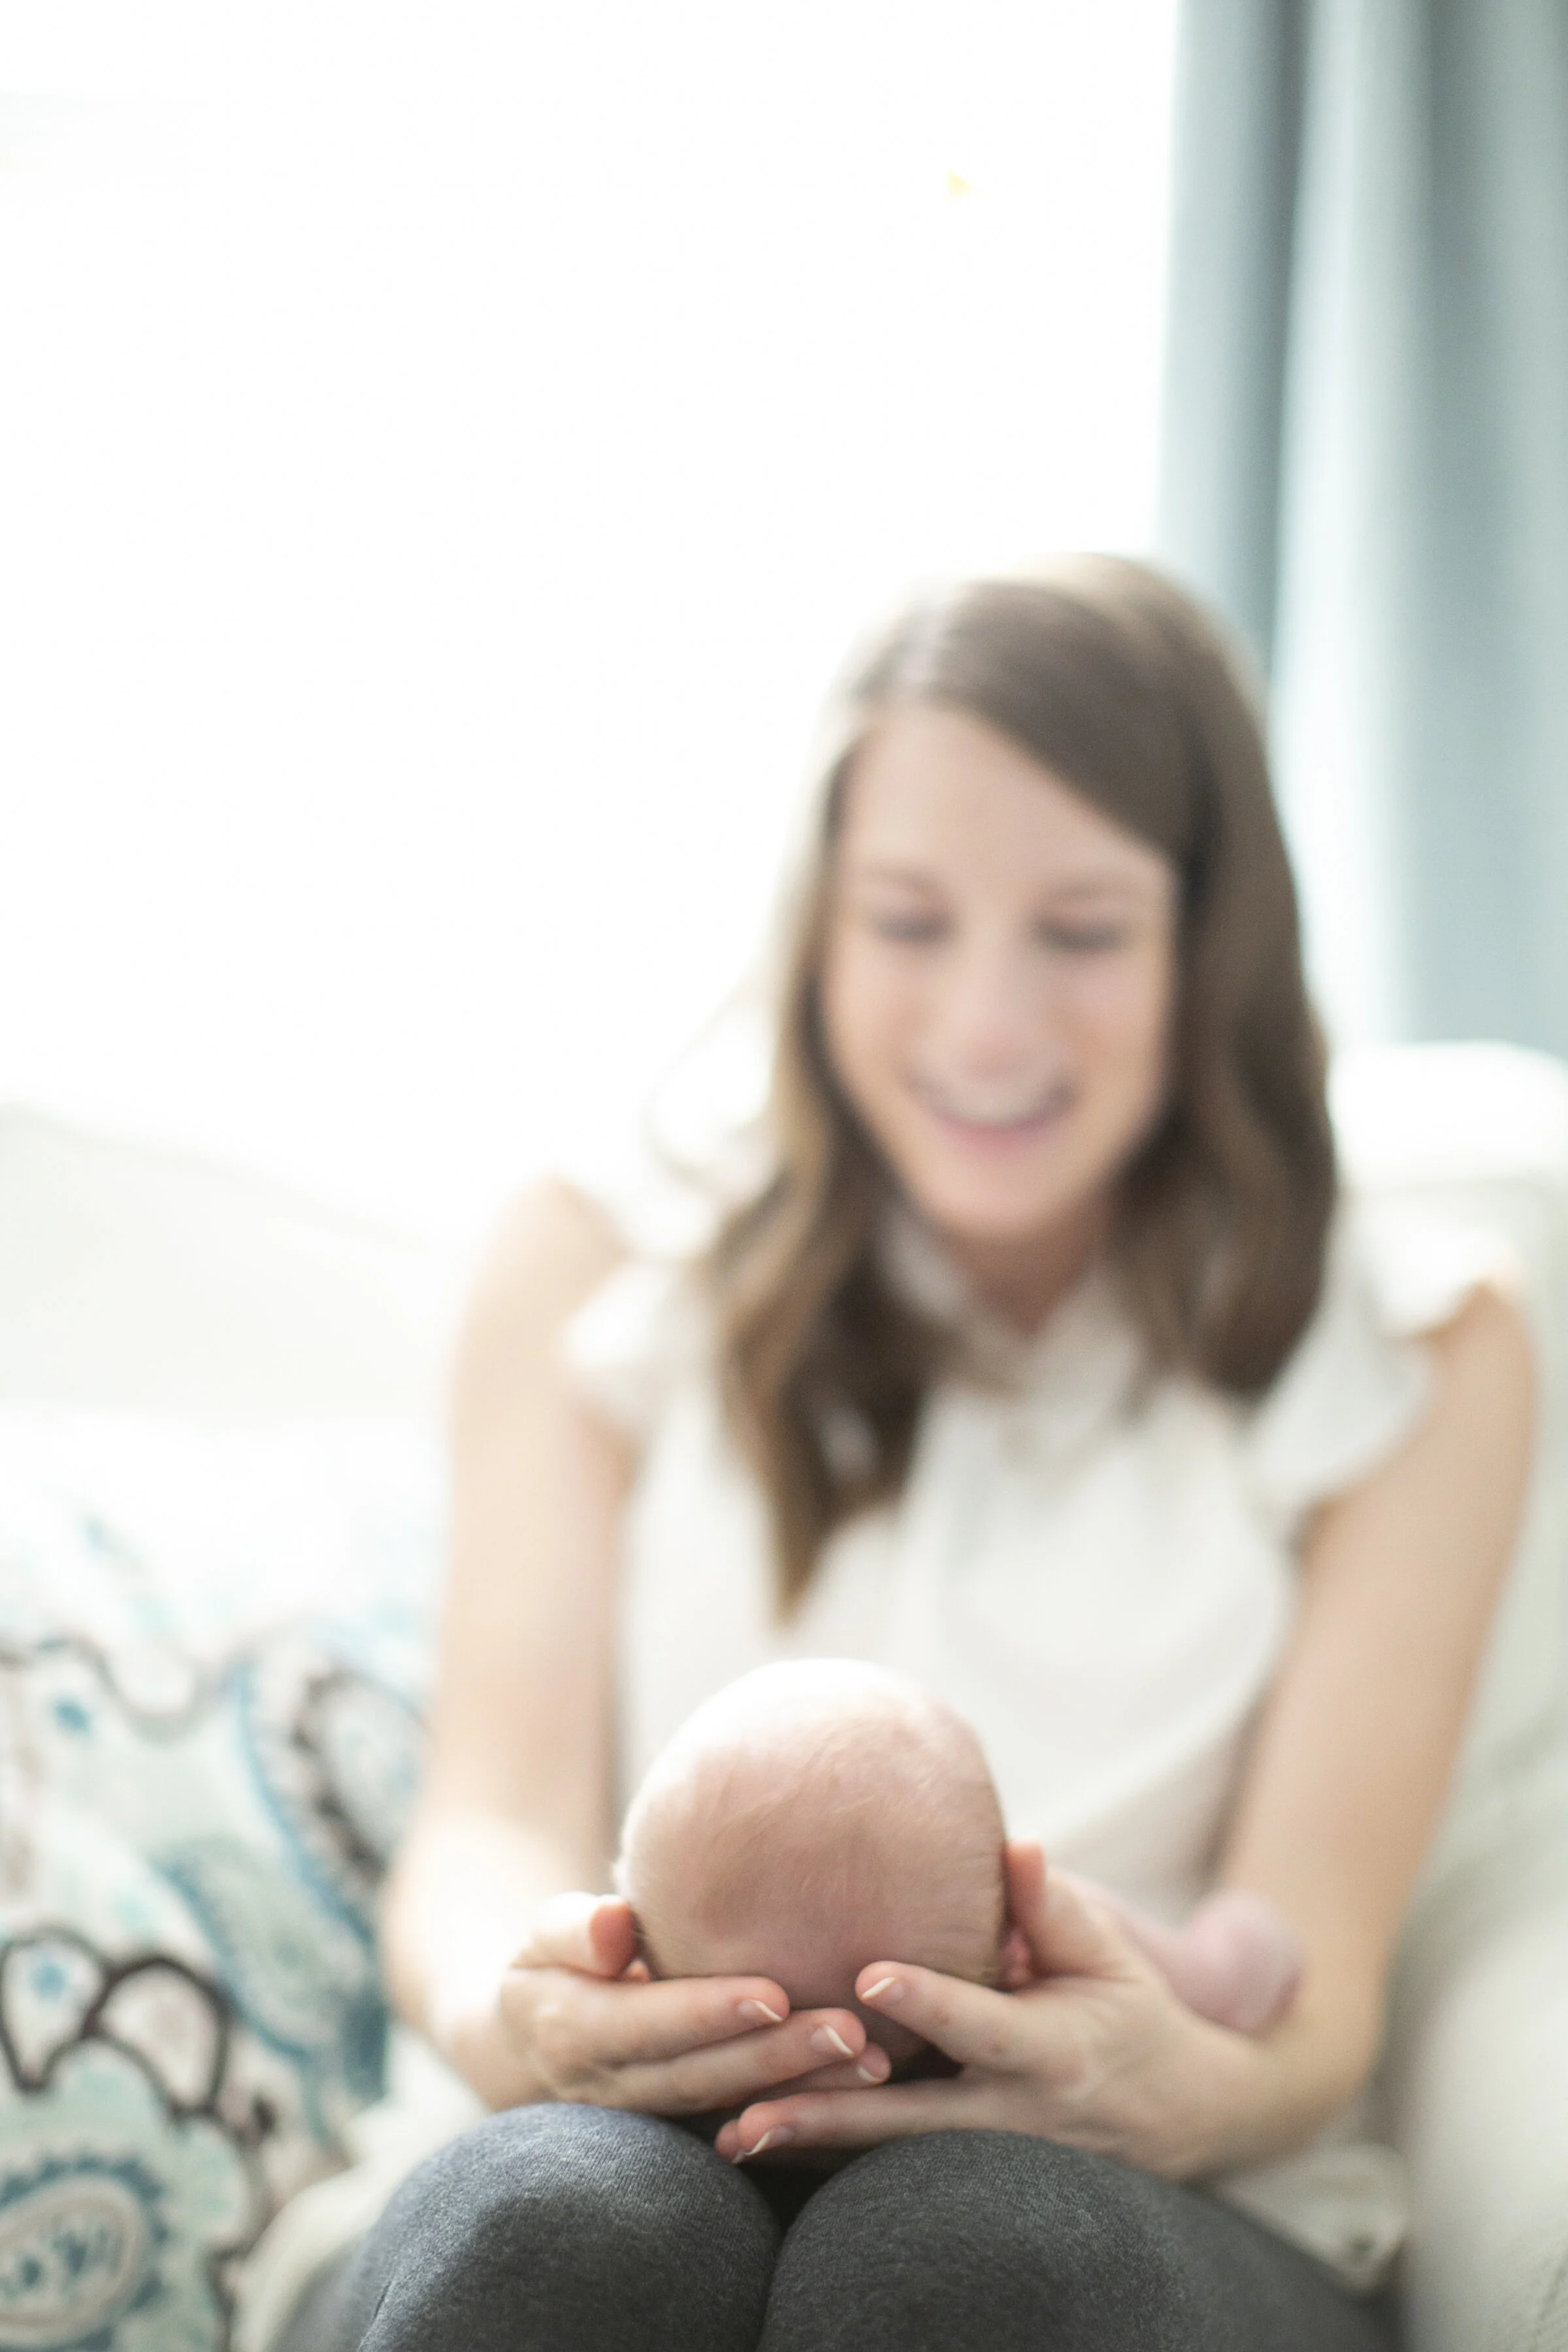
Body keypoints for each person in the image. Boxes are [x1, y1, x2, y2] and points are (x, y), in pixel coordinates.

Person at [283, 558, 1533, 2351]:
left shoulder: (1422, 1347)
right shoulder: (596, 1265)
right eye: (909, 920)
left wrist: (1176, 2079)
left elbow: (1307, 1979)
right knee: (563, 2230)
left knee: (957, 2254)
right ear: (816, 923)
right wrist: (525, 2019)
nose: (987, 1026)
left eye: (1085, 931)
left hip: (1157, 2189)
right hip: (589, 2147)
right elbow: (487, 1813)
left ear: (1210, 940)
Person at [619, 1657, 1305, 2062]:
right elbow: (1232, 1980)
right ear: (1016, 1935)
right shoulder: (1061, 1955)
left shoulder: (660, 2037)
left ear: (639, 1958)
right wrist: (1246, 1939)